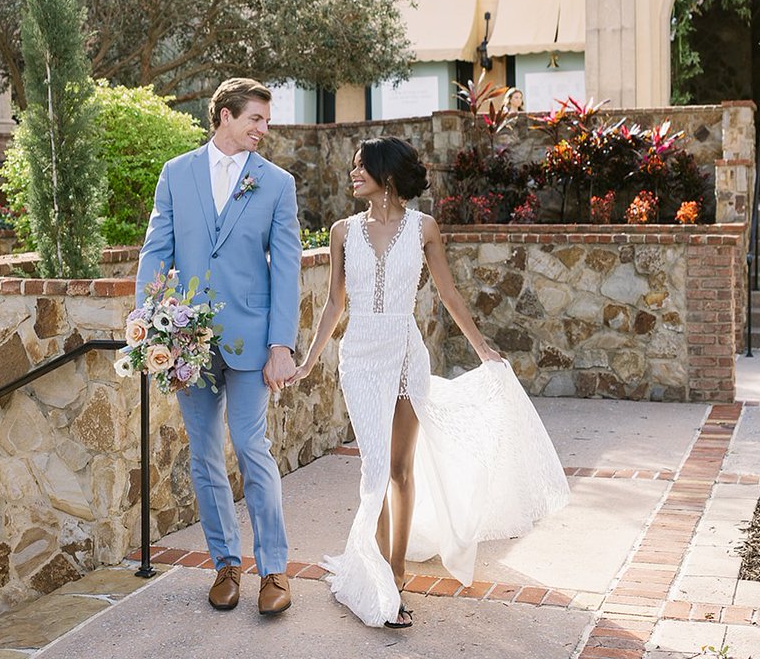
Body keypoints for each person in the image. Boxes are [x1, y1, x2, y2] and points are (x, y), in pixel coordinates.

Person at [289, 136, 569, 629]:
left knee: (400, 469)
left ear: (386, 174)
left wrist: (482, 348)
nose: (352, 174)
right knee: (374, 468)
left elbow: (448, 293)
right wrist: (310, 359)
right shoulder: (341, 232)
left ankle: (395, 573)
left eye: (361, 167)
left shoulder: (424, 228)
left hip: (405, 353)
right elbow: (334, 304)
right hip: (360, 357)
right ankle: (376, 574)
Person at [135, 77, 301, 617]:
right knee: (204, 455)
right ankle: (225, 564)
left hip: (253, 338)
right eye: (256, 118)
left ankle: (273, 570)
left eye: (266, 121)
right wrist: (151, 325)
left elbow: (288, 268)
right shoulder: (176, 173)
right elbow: (156, 252)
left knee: (252, 449)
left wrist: (282, 344)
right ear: (225, 115)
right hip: (188, 340)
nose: (263, 129)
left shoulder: (276, 183)